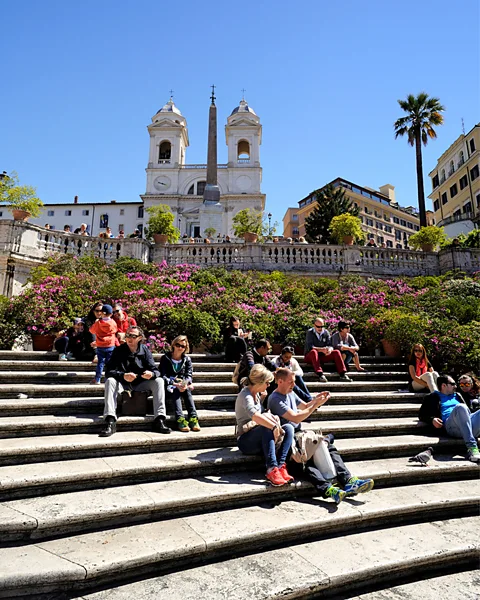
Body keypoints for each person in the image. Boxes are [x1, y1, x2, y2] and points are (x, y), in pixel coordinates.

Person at [268, 369, 374, 504]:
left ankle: (348, 480)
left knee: (326, 444)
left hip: (300, 437)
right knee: (307, 459)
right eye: (291, 382)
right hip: (289, 441)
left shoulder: (291, 393)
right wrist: (315, 406)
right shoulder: (275, 399)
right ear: (280, 381)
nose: (294, 385)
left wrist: (317, 400)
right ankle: (330, 489)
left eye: (294, 381)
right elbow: (295, 418)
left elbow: (305, 405)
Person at [100, 326, 170, 437]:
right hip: (122, 384)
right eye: (127, 335)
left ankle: (159, 419)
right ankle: (110, 420)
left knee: (159, 381)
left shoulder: (145, 351)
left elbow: (156, 371)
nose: (129, 338)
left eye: (133, 336)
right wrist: (123, 375)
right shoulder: (118, 350)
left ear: (140, 338)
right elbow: (109, 371)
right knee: (110, 381)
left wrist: (151, 374)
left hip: (140, 385)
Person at [235, 364, 294, 486]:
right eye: (267, 383)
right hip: (245, 441)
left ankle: (281, 466)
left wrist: (262, 400)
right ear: (260, 382)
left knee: (289, 428)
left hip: (257, 437)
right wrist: (273, 426)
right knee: (266, 427)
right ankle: (271, 469)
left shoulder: (256, 394)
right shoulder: (245, 395)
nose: (268, 385)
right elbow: (255, 416)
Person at [418, 374, 480, 463]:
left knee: (464, 408)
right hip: (451, 426)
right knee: (461, 407)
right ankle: (472, 447)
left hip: (466, 424)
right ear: (444, 385)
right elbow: (421, 415)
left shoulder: (458, 395)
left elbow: (468, 411)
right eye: (453, 384)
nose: (456, 386)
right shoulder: (432, 397)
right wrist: (432, 419)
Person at [159, 335, 200, 432]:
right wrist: (173, 383)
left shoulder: (187, 359)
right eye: (178, 345)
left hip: (182, 384)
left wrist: (186, 383)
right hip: (169, 386)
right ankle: (180, 419)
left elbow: (189, 375)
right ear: (173, 345)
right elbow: (162, 375)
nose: (180, 348)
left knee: (187, 390)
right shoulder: (165, 358)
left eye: (183, 346)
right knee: (176, 390)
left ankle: (193, 418)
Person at [304, 318, 351, 383]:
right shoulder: (310, 332)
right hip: (310, 356)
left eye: (322, 326)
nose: (320, 328)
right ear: (314, 325)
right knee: (313, 352)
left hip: (322, 356)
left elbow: (330, 345)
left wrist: (329, 350)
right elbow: (310, 347)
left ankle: (342, 374)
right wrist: (321, 350)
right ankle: (320, 374)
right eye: (318, 327)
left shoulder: (326, 332)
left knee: (336, 352)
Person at [89, 304, 117, 385]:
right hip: (110, 345)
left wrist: (96, 323)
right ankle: (108, 379)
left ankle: (97, 379)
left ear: (101, 313)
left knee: (100, 363)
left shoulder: (98, 323)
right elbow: (115, 330)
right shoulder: (113, 322)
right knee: (109, 363)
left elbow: (91, 331)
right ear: (111, 314)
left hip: (100, 345)